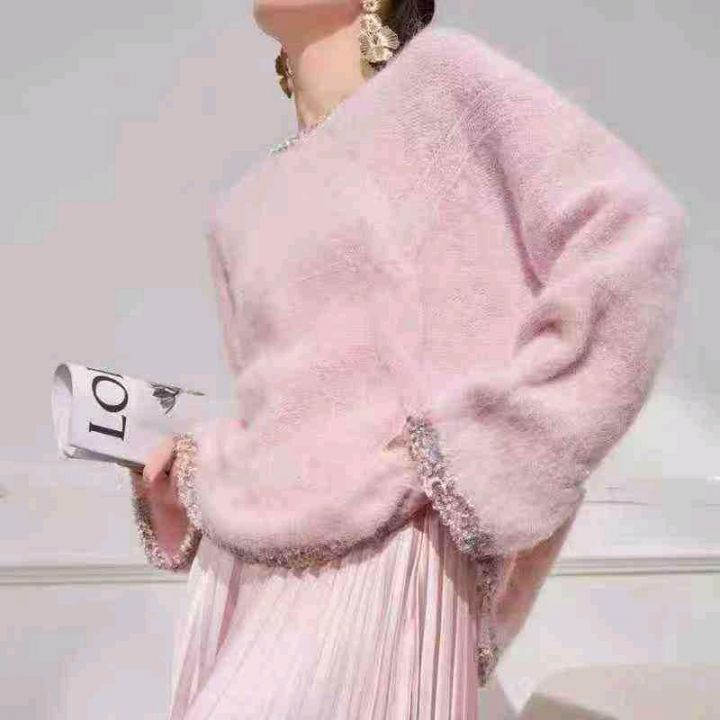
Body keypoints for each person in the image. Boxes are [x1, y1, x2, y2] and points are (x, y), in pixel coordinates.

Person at [125, 2, 687, 718]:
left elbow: (635, 229)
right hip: (243, 580)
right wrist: (198, 467)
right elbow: (287, 414)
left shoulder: (445, 83)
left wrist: (485, 444)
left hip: (388, 554)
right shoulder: (237, 212)